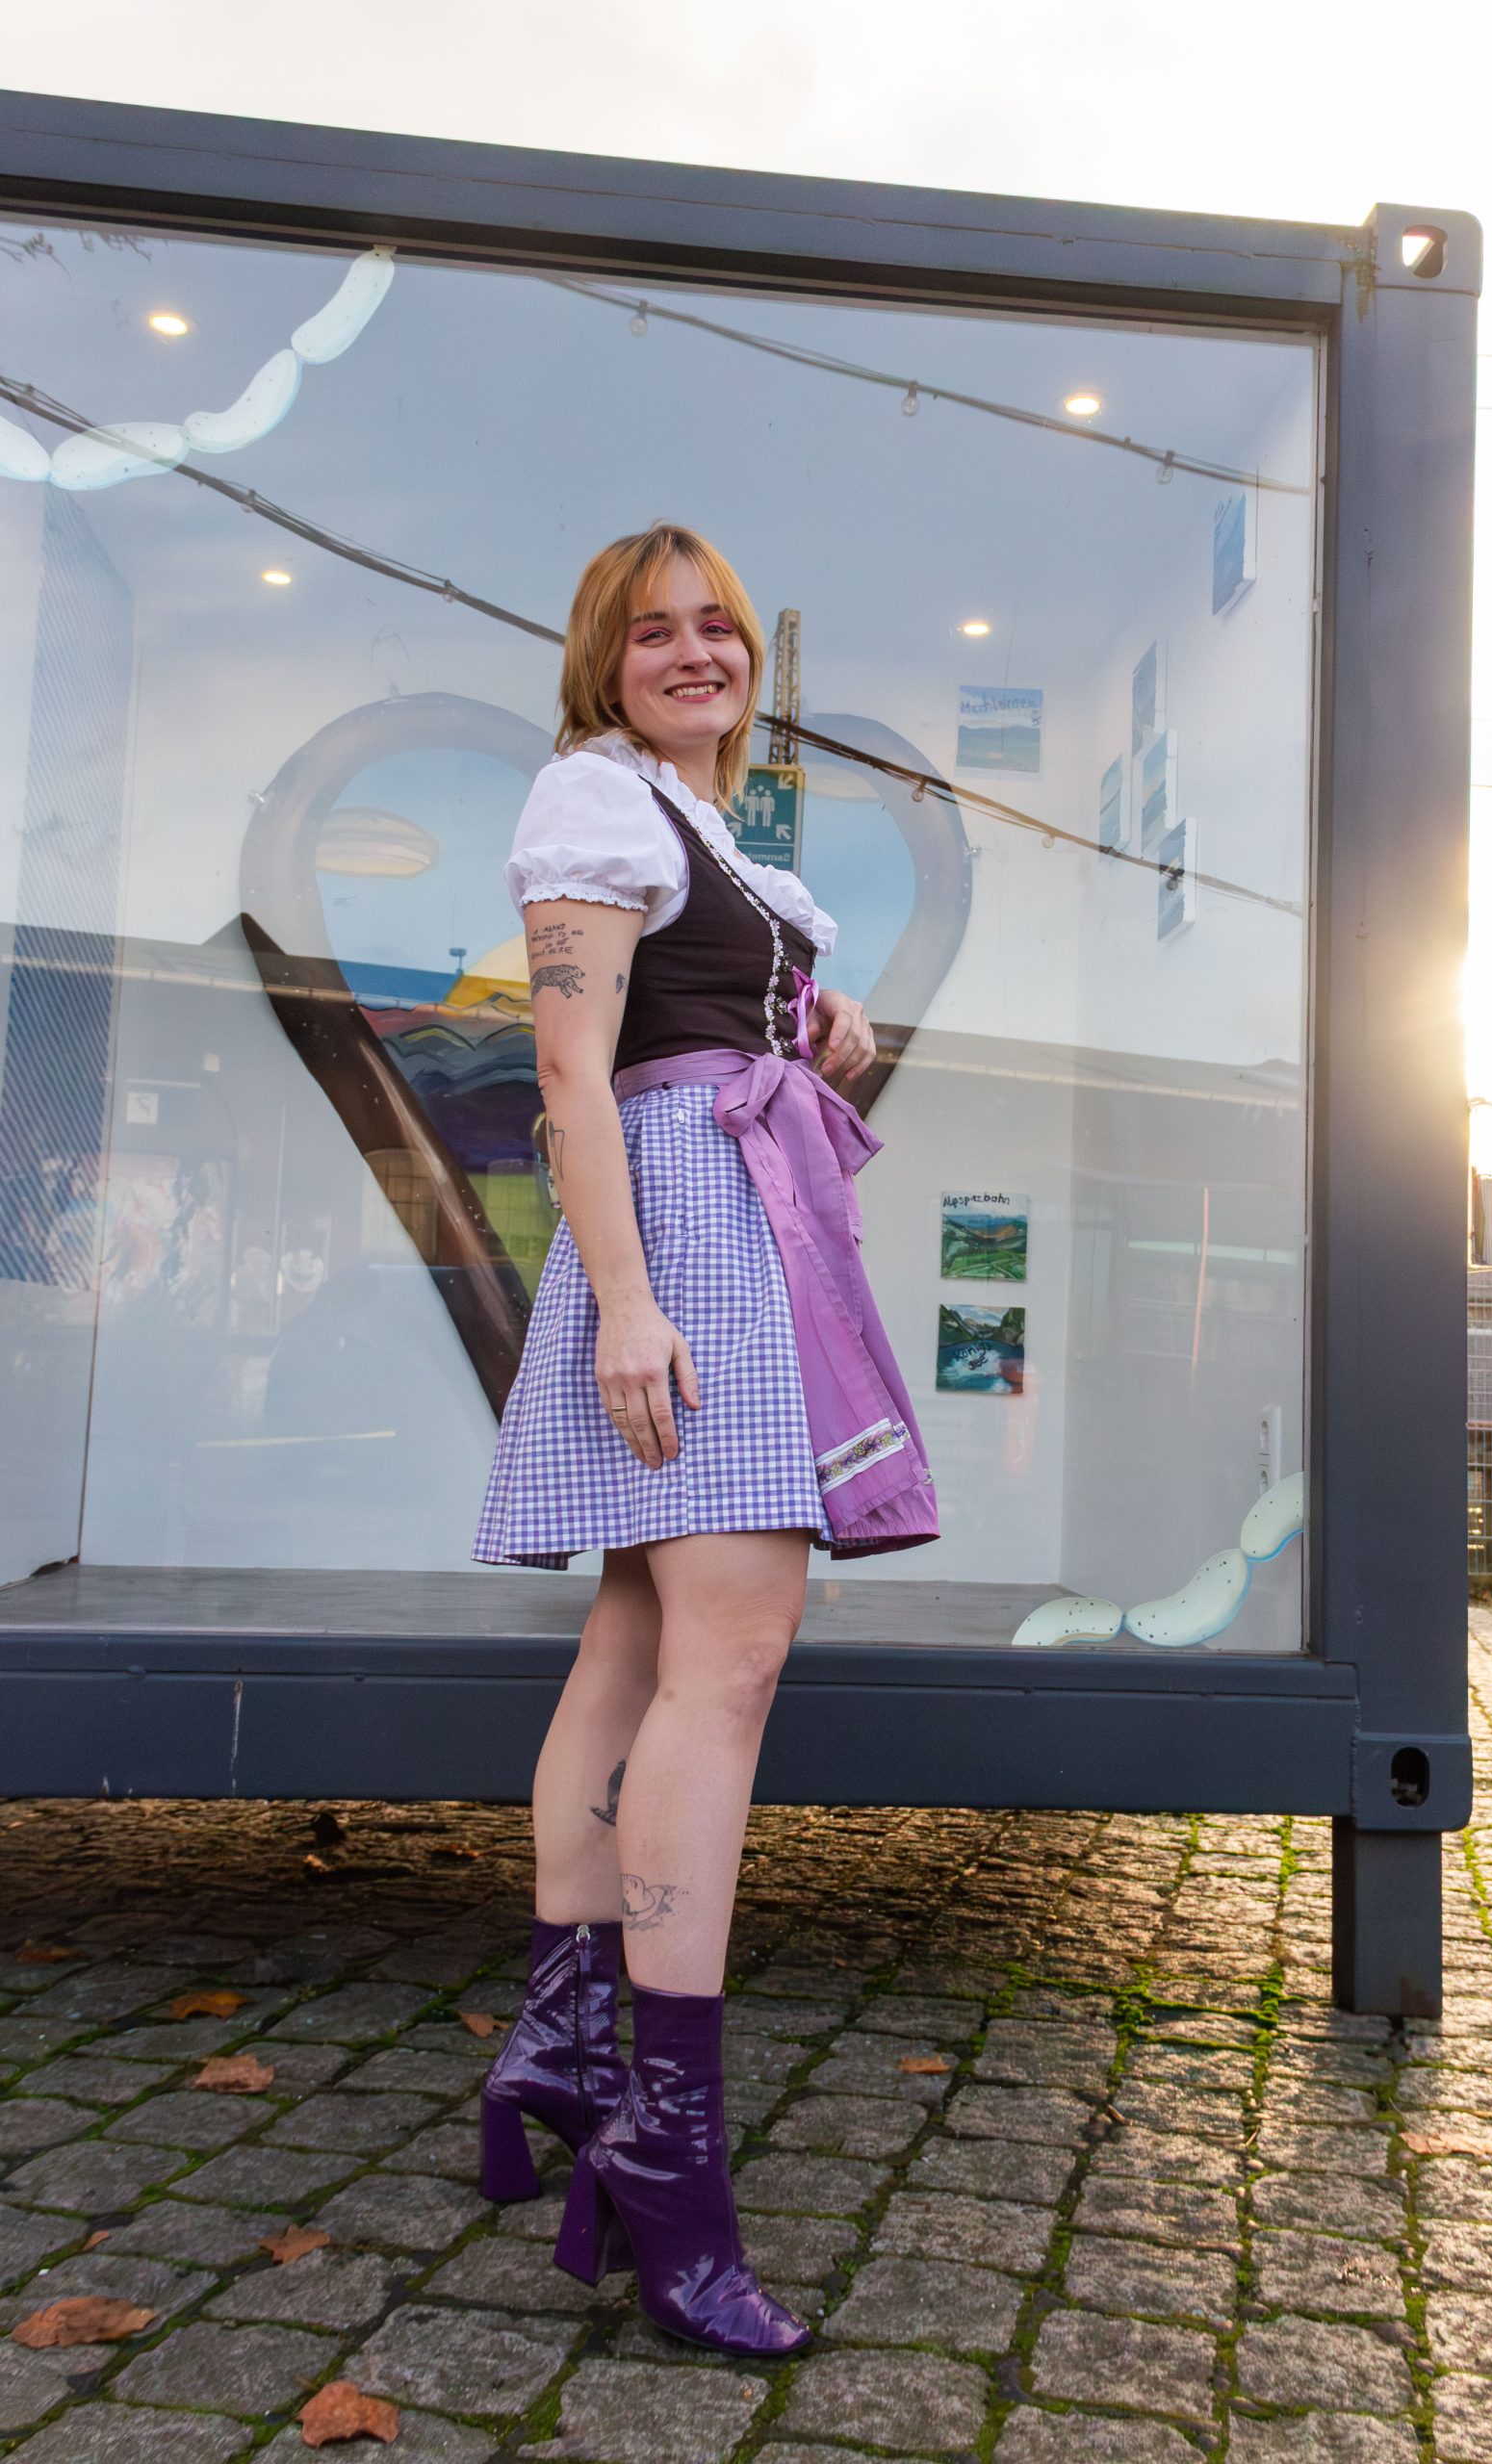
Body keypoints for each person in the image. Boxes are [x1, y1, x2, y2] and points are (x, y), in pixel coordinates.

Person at [470, 523, 938, 2355]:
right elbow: (569, 1072)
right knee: (730, 1665)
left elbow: (690, 1009)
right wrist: (627, 1302)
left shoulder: (688, 825)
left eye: (718, 626)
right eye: (652, 631)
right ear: (603, 659)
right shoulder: (594, 798)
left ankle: (569, 2038)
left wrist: (809, 1011)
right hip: (684, 1243)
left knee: (640, 1639)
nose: (694, 652)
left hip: (727, 1217)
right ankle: (665, 2154)